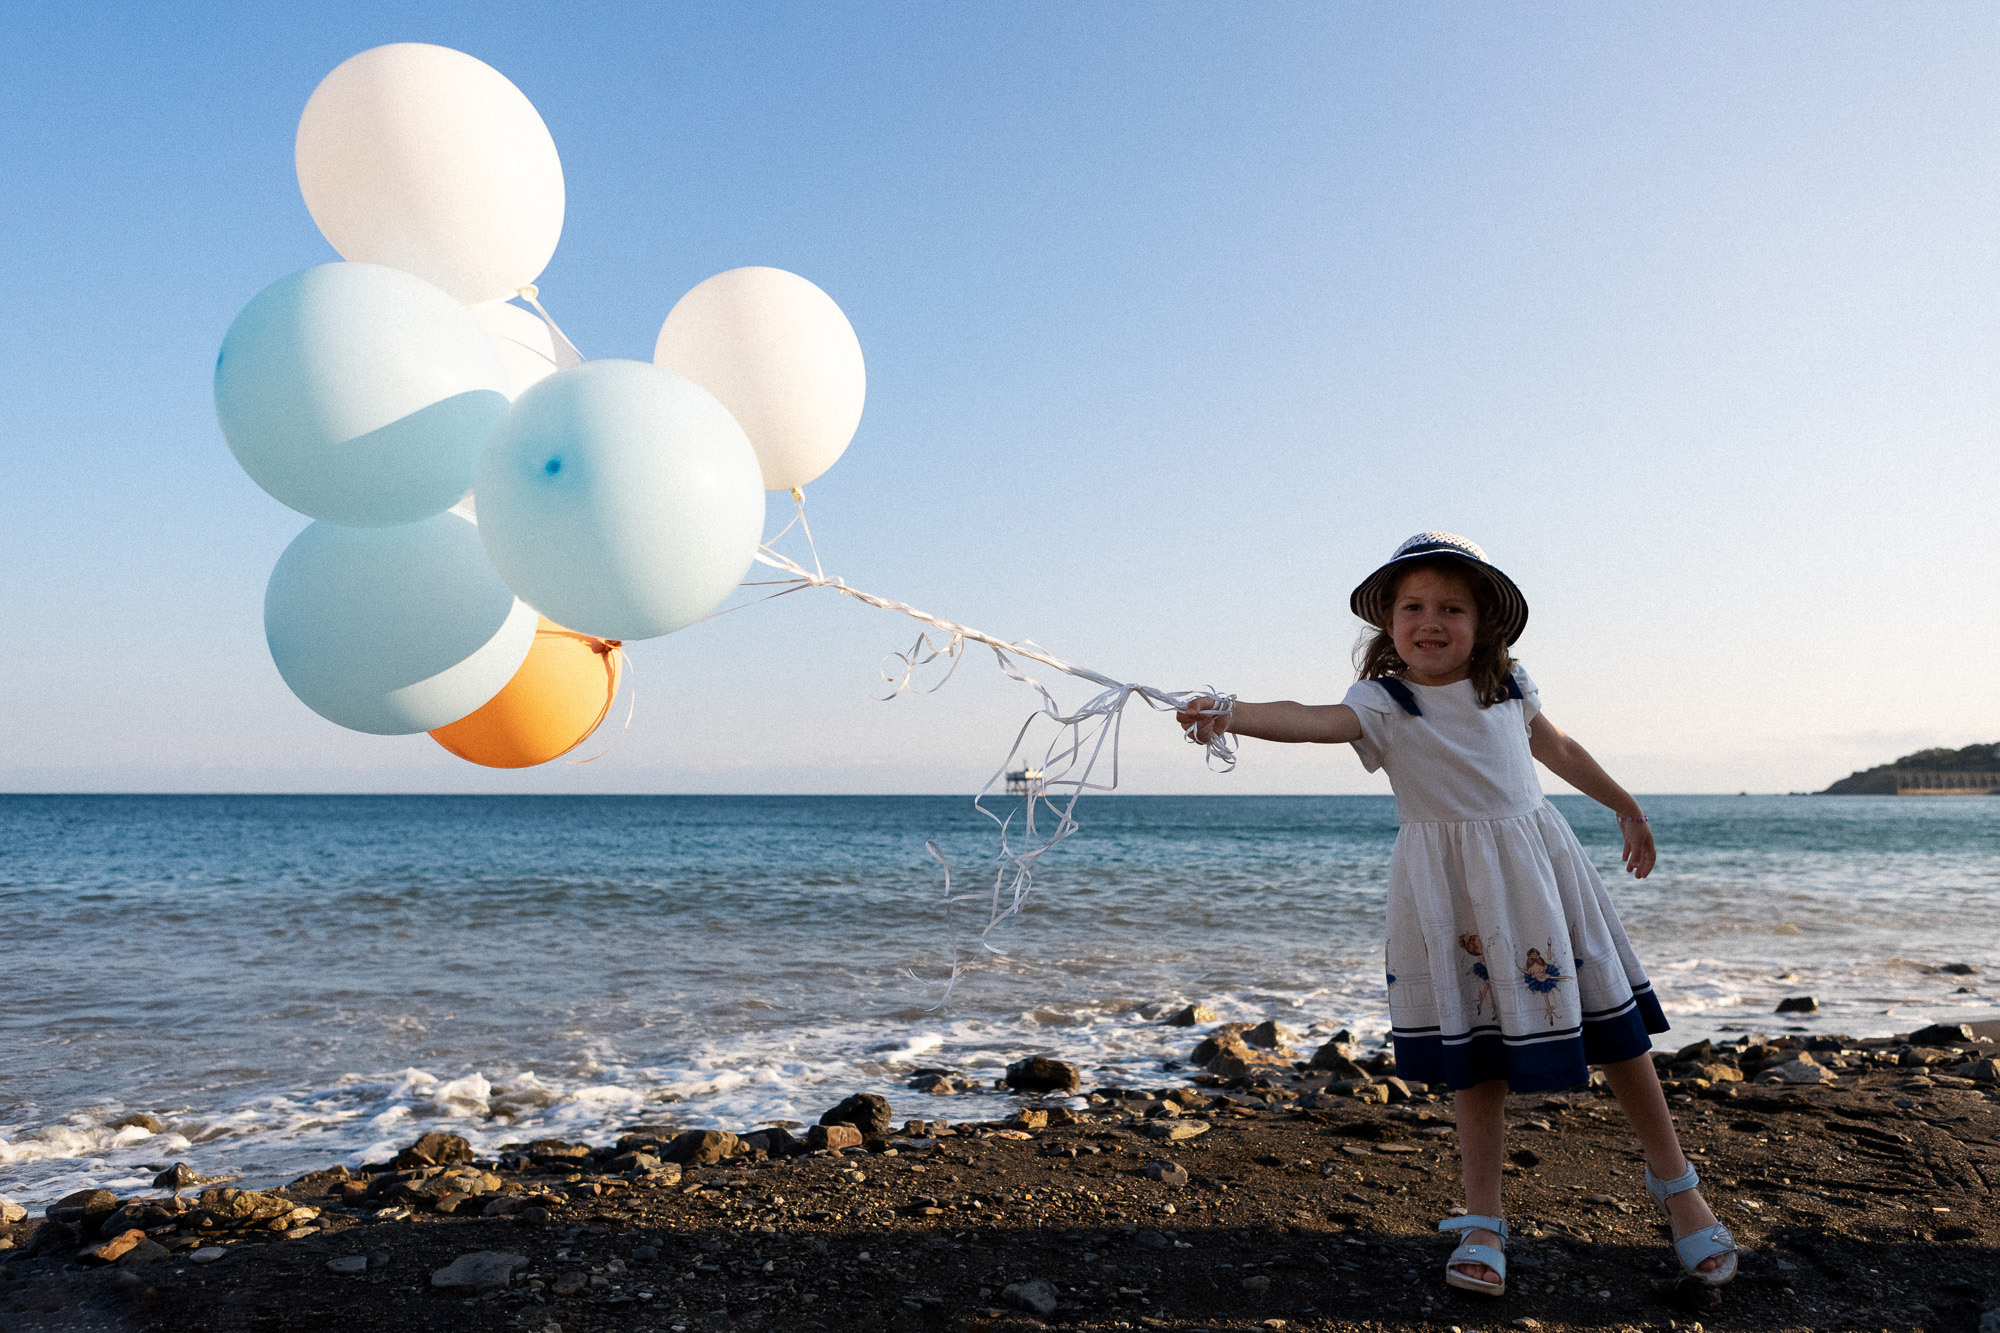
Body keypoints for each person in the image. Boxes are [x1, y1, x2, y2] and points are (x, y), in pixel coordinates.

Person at [1176, 531, 1736, 1296]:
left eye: (1450, 607)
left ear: (1485, 623)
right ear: (1387, 622)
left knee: (1619, 1033)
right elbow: (1308, 717)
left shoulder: (1508, 689)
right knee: (1475, 1060)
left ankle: (1677, 1185)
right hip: (1452, 893)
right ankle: (1482, 1219)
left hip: (1542, 875)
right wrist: (1230, 712)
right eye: (1412, 606)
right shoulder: (1382, 702)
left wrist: (1626, 805)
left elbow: (1560, 748)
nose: (1429, 621)